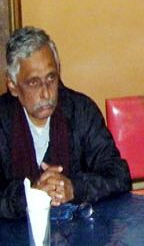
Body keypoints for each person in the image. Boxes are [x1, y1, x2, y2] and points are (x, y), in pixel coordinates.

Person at [0, 27, 130, 219]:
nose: (46, 93)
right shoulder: (3, 119)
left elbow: (119, 175)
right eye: (34, 83)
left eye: (51, 78)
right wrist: (30, 195)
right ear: (13, 86)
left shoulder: (81, 111)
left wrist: (74, 188)